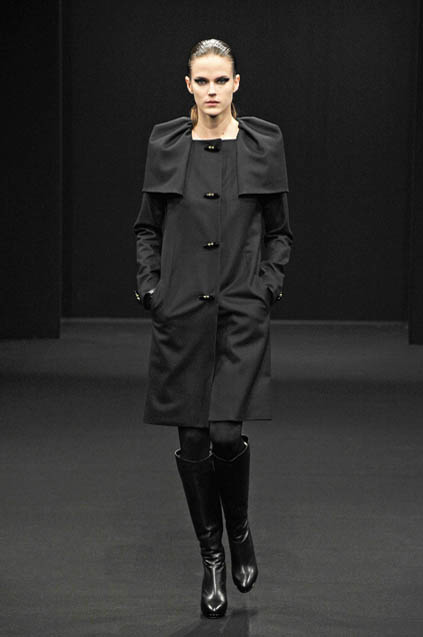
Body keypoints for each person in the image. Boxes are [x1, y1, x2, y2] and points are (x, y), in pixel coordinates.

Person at [133, 38, 293, 618]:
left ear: (236, 83)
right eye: (201, 81)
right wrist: (151, 288)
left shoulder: (262, 144)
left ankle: (240, 530)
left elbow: (279, 231)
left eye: (221, 80)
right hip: (181, 312)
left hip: (240, 309)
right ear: (188, 85)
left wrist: (266, 286)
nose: (211, 91)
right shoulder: (166, 144)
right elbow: (147, 226)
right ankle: (212, 559)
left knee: (226, 433)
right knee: (194, 440)